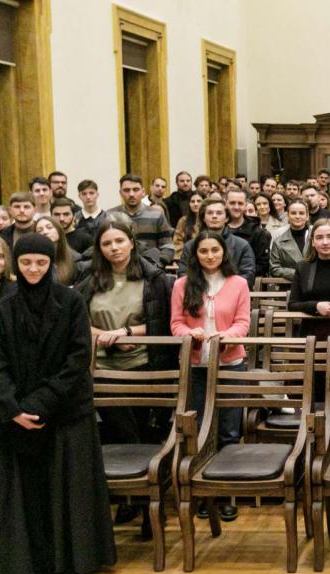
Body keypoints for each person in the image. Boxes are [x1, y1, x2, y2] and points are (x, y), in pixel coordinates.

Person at [0, 233, 116, 574]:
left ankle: (67, 563)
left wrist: (39, 403)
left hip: (65, 410)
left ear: (51, 263)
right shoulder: (1, 309)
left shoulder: (70, 301)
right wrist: (13, 407)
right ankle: (30, 565)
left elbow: (77, 359)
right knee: (30, 492)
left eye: (40, 262)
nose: (33, 269)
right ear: (16, 264)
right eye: (26, 262)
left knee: (65, 491)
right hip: (18, 414)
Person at [170, 230, 251, 523]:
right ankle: (204, 495)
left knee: (228, 431)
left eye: (214, 250)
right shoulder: (182, 284)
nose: (209, 256)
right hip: (196, 365)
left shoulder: (238, 283)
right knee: (200, 431)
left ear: (223, 252)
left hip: (230, 363)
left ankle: (226, 495)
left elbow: (243, 322)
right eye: (203, 251)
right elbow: (176, 323)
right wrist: (189, 333)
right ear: (195, 255)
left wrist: (225, 336)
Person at [75, 217, 174, 445]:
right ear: (99, 249)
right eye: (107, 243)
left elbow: (163, 323)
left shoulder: (154, 279)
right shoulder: (88, 281)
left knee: (142, 431)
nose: (114, 248)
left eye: (119, 241)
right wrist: (109, 337)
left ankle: (146, 474)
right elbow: (78, 324)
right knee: (123, 433)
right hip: (102, 368)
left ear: (131, 242)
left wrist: (125, 332)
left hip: (143, 365)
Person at [287, 218, 330, 340]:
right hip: (310, 331)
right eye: (319, 238)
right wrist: (316, 306)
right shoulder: (303, 267)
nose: (325, 242)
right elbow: (293, 304)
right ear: (312, 242)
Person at [180, 197, 256, 285]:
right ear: (203, 218)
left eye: (219, 213)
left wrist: (224, 290)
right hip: (199, 294)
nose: (214, 216)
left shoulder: (242, 245)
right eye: (210, 213)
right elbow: (183, 274)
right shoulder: (190, 246)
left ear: (227, 218)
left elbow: (247, 275)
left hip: (231, 295)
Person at [110, 174, 174, 266]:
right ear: (120, 193)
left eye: (136, 190)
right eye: (127, 190)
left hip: (151, 269)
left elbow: (167, 247)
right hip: (117, 268)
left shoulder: (156, 215)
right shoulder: (111, 216)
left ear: (143, 192)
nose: (131, 194)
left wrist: (158, 264)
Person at [225, 187, 272, 278]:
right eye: (232, 203)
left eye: (240, 203)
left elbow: (262, 266)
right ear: (225, 204)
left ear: (245, 205)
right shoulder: (217, 229)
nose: (236, 207)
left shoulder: (258, 233)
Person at [269, 199, 311, 281]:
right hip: (289, 286)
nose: (297, 216)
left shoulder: (317, 237)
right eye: (293, 213)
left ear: (307, 216)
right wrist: (297, 273)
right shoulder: (278, 241)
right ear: (288, 216)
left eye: (301, 213)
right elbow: (274, 268)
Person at [32, 217, 78, 285]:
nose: (45, 232)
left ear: (59, 230)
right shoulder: (33, 259)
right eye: (39, 231)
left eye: (49, 227)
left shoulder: (75, 258)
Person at [172, 192, 204, 258]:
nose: (195, 204)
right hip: (188, 257)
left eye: (199, 201)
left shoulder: (209, 219)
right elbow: (177, 242)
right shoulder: (183, 221)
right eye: (192, 201)